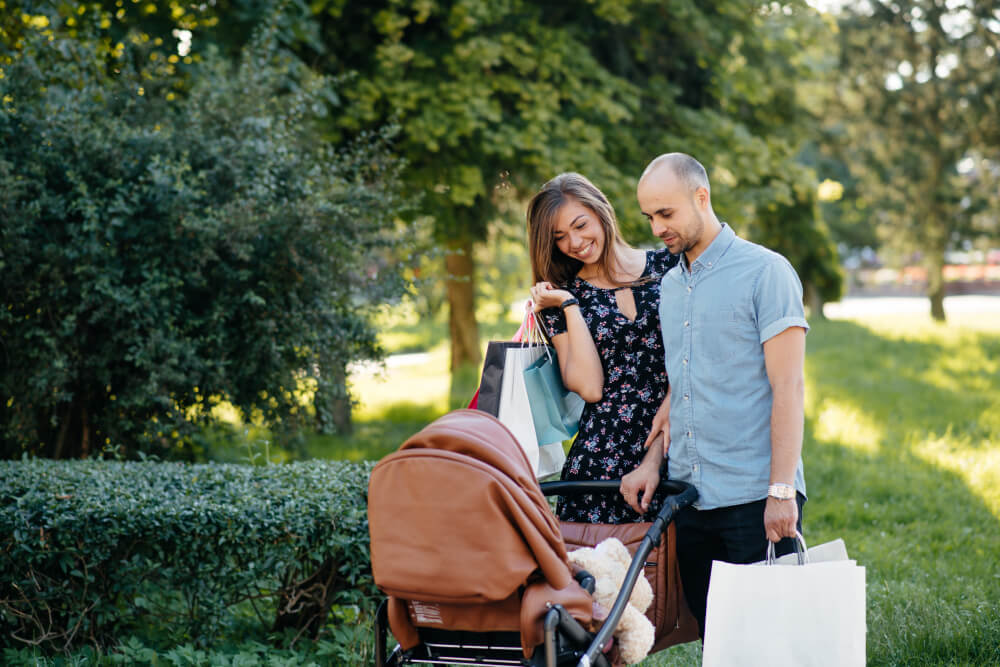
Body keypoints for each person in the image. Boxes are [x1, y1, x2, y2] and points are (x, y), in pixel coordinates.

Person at [636, 152, 808, 637]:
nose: (656, 229)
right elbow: (682, 381)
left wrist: (780, 493)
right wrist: (653, 460)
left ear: (701, 196)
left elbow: (789, 388)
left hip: (754, 497)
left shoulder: (765, 272)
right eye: (649, 217)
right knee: (720, 641)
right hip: (690, 498)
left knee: (773, 644)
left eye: (665, 214)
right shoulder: (670, 286)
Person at [527, 172, 679, 524]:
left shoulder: (670, 268)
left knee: (676, 573)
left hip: (678, 444)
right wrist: (570, 305)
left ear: (601, 212)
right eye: (560, 237)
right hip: (602, 461)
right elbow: (591, 388)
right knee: (607, 576)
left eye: (581, 225)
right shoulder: (559, 298)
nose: (575, 242)